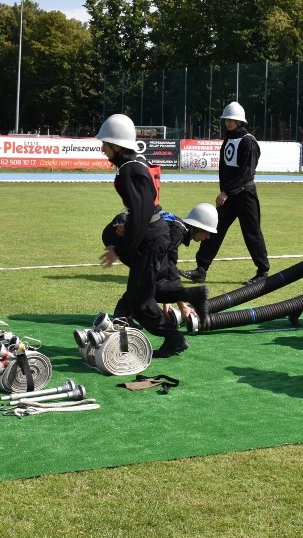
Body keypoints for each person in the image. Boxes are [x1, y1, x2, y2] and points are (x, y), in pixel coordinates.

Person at [96, 113, 188, 358]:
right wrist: (128, 226)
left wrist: (122, 247)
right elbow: (143, 208)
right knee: (137, 291)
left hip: (151, 238)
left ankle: (174, 338)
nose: (101, 147)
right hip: (152, 234)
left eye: (104, 143)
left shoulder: (130, 170)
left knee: (142, 298)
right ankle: (120, 333)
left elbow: (143, 210)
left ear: (116, 145)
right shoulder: (135, 163)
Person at [180, 101, 269, 285]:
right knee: (213, 229)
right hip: (229, 195)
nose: (228, 123)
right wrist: (225, 190)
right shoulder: (229, 139)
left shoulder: (249, 141)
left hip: (245, 195)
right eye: (226, 119)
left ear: (240, 122)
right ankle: (201, 270)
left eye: (231, 120)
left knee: (251, 233)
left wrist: (226, 192)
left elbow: (246, 173)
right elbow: (224, 168)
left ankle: (262, 273)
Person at [104, 203, 218, 330]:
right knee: (147, 276)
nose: (208, 237)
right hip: (118, 234)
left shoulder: (177, 227)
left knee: (148, 276)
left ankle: (127, 314)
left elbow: (165, 267)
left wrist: (168, 300)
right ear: (197, 227)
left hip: (120, 230)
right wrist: (182, 306)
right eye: (208, 233)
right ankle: (122, 316)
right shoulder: (177, 233)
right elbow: (169, 268)